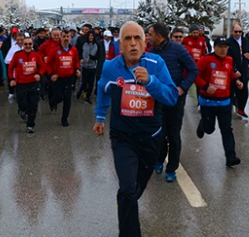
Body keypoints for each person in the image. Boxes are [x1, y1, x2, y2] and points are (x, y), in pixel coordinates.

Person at [93, 21, 178, 236]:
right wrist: (100, 116)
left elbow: (171, 97)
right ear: (120, 44)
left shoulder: (156, 64)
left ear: (145, 42)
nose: (133, 43)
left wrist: (150, 82)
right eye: (127, 39)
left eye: (137, 38)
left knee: (133, 190)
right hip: (123, 137)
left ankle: (125, 203)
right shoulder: (111, 67)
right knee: (128, 189)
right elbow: (103, 89)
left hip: (151, 138)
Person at [148, 23, 198, 182]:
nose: (148, 37)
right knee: (159, 132)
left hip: (175, 99)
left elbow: (193, 70)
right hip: (156, 99)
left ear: (159, 36)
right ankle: (158, 159)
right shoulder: (150, 52)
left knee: (173, 134)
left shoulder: (178, 50)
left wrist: (182, 88)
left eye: (150, 34)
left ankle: (172, 168)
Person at [194, 36, 244, 167]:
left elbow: (230, 74)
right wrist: (205, 86)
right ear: (214, 47)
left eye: (225, 47)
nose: (223, 49)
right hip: (208, 102)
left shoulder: (229, 60)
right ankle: (203, 124)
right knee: (209, 130)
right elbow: (194, 74)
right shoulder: (205, 60)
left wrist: (237, 81)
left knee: (227, 130)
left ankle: (231, 157)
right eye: (220, 46)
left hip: (224, 102)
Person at [8, 36, 46, 133]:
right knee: (23, 104)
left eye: (30, 44)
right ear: (22, 45)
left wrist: (39, 74)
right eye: (26, 44)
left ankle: (30, 125)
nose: (28, 46)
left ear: (32, 45)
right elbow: (10, 68)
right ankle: (22, 110)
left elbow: (42, 67)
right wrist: (12, 79)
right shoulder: (17, 55)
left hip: (33, 84)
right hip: (21, 84)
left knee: (33, 105)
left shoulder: (36, 55)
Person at [47, 29, 81, 126]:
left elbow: (76, 61)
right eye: (64, 36)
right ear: (60, 38)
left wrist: (77, 69)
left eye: (68, 36)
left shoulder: (73, 50)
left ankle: (64, 119)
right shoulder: (54, 50)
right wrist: (51, 75)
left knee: (67, 99)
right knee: (58, 97)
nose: (66, 38)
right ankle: (52, 102)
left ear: (70, 38)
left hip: (69, 78)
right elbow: (48, 64)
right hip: (58, 79)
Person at [227, 24, 249, 118]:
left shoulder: (245, 41)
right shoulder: (228, 42)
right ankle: (229, 108)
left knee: (244, 91)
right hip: (232, 70)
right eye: (236, 31)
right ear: (232, 32)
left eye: (240, 31)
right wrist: (234, 70)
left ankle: (241, 109)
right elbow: (227, 58)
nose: (238, 33)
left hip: (244, 69)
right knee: (231, 91)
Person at [4, 33, 25, 103]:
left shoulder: (28, 47)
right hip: (16, 70)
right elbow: (6, 60)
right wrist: (15, 61)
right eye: (18, 40)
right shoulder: (13, 49)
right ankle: (11, 93)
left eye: (22, 40)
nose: (20, 41)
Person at [78, 31, 98, 104]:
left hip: (92, 66)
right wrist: (81, 59)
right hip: (85, 66)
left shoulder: (96, 45)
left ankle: (87, 96)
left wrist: (92, 57)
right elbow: (80, 52)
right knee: (84, 82)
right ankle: (81, 91)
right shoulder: (84, 44)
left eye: (92, 36)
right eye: (89, 36)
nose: (90, 37)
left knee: (91, 83)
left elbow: (98, 56)